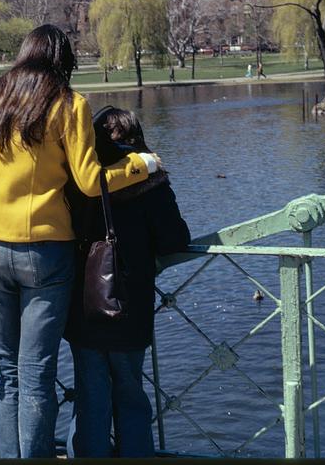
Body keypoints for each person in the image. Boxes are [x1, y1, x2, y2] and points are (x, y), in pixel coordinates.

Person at [0, 24, 162, 458]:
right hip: (45, 250)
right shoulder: (69, 104)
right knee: (36, 373)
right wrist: (143, 164)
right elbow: (89, 181)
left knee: (5, 371)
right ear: (64, 61)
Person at [64, 107, 190, 458]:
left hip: (84, 301)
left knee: (90, 396)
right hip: (129, 302)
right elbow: (174, 240)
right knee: (131, 394)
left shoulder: (76, 181)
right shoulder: (149, 178)